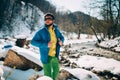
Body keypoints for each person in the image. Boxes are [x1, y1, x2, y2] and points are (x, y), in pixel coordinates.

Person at [31, 13, 64, 80]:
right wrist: (45, 44)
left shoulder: (56, 30)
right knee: (47, 75)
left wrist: (61, 41)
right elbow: (33, 42)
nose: (47, 20)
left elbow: (62, 37)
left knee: (56, 71)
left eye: (49, 18)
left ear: (53, 20)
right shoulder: (41, 31)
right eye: (46, 19)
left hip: (55, 55)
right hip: (46, 56)